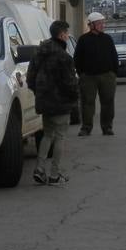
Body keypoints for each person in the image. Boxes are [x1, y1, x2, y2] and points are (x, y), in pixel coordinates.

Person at [27, 20, 79, 187]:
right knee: (60, 136)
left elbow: (30, 78)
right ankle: (55, 174)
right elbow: (71, 83)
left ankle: (39, 169)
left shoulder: (39, 53)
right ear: (62, 34)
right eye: (66, 33)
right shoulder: (64, 57)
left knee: (47, 134)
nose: (67, 35)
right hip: (61, 103)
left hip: (44, 101)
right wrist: (74, 98)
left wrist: (39, 93)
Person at [73, 11, 119, 136]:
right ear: (91, 25)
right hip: (88, 77)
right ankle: (86, 128)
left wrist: (114, 73)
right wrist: (82, 73)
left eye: (102, 23)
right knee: (87, 103)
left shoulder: (107, 39)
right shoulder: (83, 40)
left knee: (108, 102)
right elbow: (77, 59)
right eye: (99, 23)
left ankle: (107, 127)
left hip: (107, 76)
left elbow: (114, 56)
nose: (102, 25)